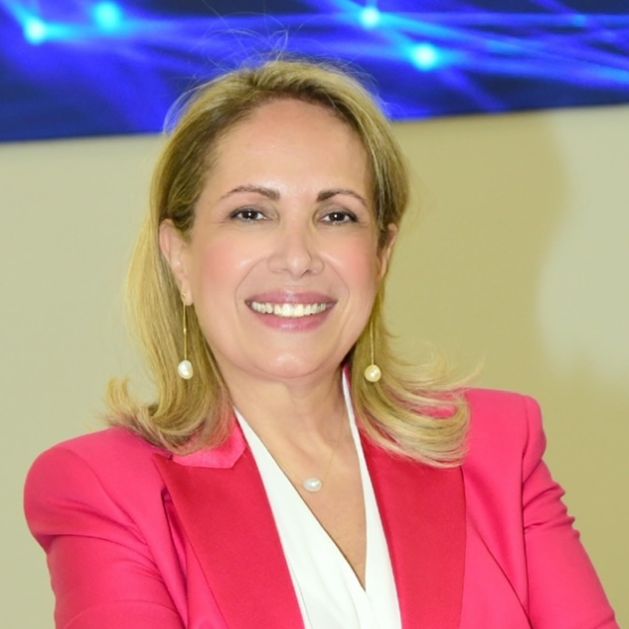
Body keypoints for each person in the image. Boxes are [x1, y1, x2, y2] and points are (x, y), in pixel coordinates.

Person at [24, 58, 617, 629]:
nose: (297, 257)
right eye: (251, 213)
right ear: (179, 256)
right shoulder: (105, 491)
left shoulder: (496, 448)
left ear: (381, 255)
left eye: (336, 216)